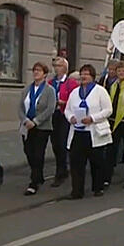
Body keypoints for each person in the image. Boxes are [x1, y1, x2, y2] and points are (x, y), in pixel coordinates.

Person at [64, 65, 113, 199]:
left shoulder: (100, 91)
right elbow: (67, 109)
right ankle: (77, 190)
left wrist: (92, 118)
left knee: (96, 162)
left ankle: (98, 187)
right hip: (78, 132)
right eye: (82, 74)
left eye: (86, 74)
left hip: (93, 132)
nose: (83, 76)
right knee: (76, 163)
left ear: (92, 76)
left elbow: (108, 110)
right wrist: (71, 118)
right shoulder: (75, 92)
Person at [18, 62, 57, 196]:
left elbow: (50, 108)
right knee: (28, 151)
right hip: (27, 126)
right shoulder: (27, 89)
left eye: (39, 71)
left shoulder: (49, 90)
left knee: (38, 153)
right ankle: (38, 175)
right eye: (34, 70)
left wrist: (36, 121)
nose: (36, 72)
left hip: (42, 127)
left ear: (45, 74)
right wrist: (25, 120)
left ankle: (34, 182)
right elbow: (20, 107)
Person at [49, 57, 77, 187]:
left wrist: (63, 102)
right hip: (52, 115)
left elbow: (74, 100)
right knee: (55, 144)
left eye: (59, 66)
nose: (56, 68)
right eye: (55, 66)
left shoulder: (71, 83)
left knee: (62, 143)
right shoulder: (51, 82)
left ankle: (61, 172)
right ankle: (62, 168)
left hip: (64, 115)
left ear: (65, 68)